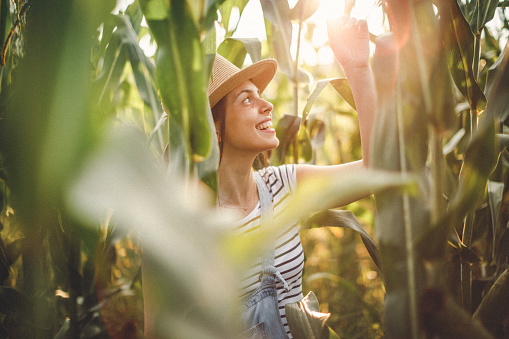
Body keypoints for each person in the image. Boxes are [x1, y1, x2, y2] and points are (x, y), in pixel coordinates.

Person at [144, 15, 376, 339]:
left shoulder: (284, 185)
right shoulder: (181, 224)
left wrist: (359, 69)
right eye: (247, 99)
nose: (267, 105)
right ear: (214, 128)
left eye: (260, 95)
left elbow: (374, 172)